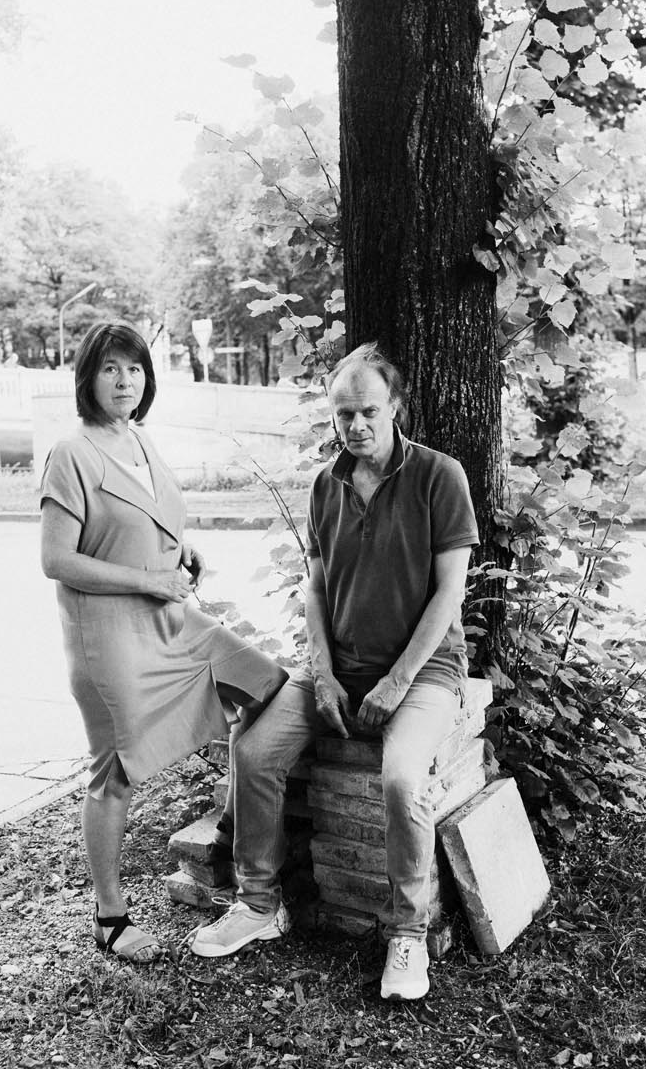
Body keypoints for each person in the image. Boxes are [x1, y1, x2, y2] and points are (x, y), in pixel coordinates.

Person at [190, 344, 479, 1001]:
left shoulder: (439, 476)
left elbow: (449, 594)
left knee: (402, 779)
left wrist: (396, 683)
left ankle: (407, 932)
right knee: (254, 752)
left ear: (395, 406)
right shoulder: (326, 485)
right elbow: (316, 589)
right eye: (344, 413)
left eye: (368, 410)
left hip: (424, 672)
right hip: (337, 669)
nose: (356, 425)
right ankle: (259, 904)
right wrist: (320, 673)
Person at [40, 322, 287, 963]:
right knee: (114, 773)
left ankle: (233, 830)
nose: (125, 381)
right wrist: (149, 578)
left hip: (170, 619)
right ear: (88, 378)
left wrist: (180, 549)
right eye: (110, 368)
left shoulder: (139, 439)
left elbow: (145, 519)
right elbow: (57, 560)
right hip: (109, 638)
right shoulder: (72, 453)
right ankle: (110, 917)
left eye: (135, 369)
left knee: (265, 686)